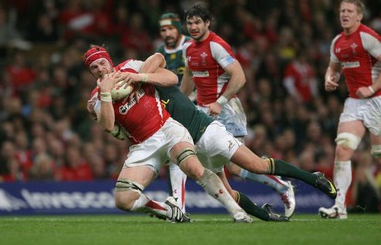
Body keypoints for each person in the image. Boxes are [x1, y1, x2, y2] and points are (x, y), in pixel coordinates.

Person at [140, 52, 337, 221]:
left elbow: (158, 57)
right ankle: (267, 215)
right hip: (195, 148)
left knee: (257, 166)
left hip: (208, 133)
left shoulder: (162, 82)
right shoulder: (146, 105)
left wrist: (140, 76)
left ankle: (313, 178)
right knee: (226, 194)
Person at [84, 45, 251, 223]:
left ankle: (237, 212)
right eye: (94, 67)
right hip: (143, 145)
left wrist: (139, 77)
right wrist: (105, 93)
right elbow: (108, 125)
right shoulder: (95, 97)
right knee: (123, 200)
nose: (100, 69)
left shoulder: (130, 67)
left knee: (194, 169)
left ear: (109, 61)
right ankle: (169, 211)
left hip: (167, 129)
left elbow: (169, 75)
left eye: (102, 63)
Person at [179, 4, 296, 217]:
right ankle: (243, 211)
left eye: (197, 22)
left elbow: (240, 76)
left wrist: (220, 102)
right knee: (216, 169)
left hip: (227, 110)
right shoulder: (187, 49)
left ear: (207, 23)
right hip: (203, 113)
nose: (193, 27)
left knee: (234, 166)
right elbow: (188, 76)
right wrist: (179, 102)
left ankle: (282, 186)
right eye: (189, 23)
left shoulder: (217, 46)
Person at [319, 0, 381, 219]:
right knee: (343, 150)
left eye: (349, 11)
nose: (344, 14)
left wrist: (372, 88)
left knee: (378, 154)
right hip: (354, 102)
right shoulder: (337, 42)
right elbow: (332, 68)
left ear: (359, 16)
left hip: (378, 101)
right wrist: (329, 78)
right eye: (342, 11)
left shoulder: (367, 37)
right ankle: (340, 207)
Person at [154, 12, 192, 212]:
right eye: (163, 30)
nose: (167, 33)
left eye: (171, 28)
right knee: (174, 155)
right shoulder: (160, 53)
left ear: (179, 28)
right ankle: (179, 206)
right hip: (177, 110)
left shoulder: (191, 47)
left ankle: (274, 182)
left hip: (202, 107)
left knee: (231, 164)